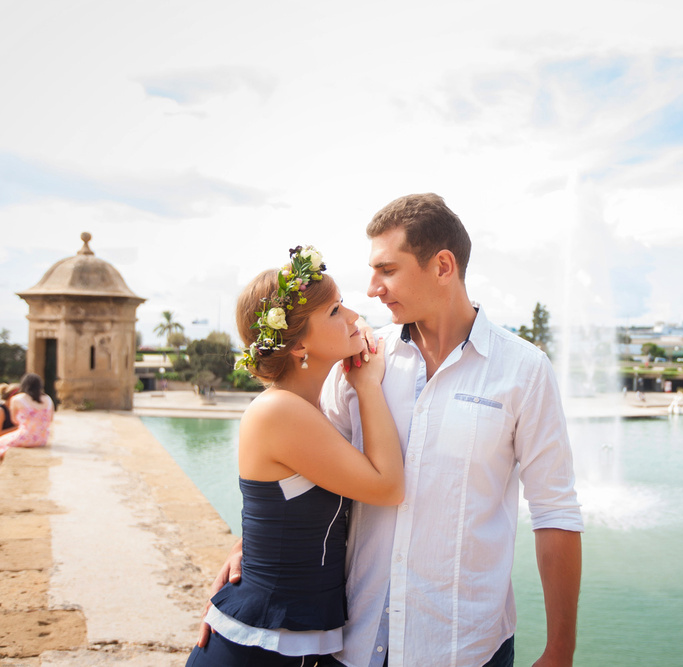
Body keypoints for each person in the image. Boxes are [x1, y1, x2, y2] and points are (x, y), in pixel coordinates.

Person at [208, 195, 584, 666]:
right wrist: (249, 552)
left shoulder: (525, 370)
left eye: (387, 269)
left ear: (443, 265)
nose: (373, 289)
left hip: (463, 649)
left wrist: (560, 648)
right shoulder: (360, 359)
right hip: (353, 645)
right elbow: (306, 467)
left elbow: (556, 512)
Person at [187, 245, 404, 667]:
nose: (353, 317)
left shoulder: (305, 408)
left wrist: (242, 546)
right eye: (335, 312)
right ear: (299, 344)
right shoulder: (280, 410)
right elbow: (388, 486)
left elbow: (278, 511)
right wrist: (368, 386)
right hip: (256, 648)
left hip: (287, 644)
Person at [0, 374, 53, 458]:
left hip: (25, 437)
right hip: (43, 439)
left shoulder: (17, 399)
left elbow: (14, 420)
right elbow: (50, 419)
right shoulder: (48, 399)